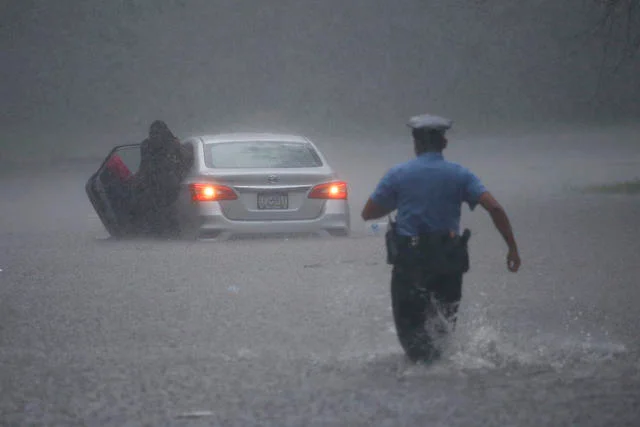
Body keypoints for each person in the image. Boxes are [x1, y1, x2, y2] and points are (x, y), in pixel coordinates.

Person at [361, 113, 521, 363]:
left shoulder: (398, 174)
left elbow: (368, 213)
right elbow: (496, 209)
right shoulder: (461, 175)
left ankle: (419, 382)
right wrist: (512, 249)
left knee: (412, 339)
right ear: (444, 143)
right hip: (448, 262)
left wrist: (399, 201)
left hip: (410, 263)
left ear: (415, 144)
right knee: (443, 334)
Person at [129, 120, 193, 236]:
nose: (154, 136)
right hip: (152, 184)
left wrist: (179, 175)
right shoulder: (147, 145)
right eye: (152, 133)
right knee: (154, 211)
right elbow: (143, 165)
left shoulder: (172, 144)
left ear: (164, 133)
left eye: (157, 133)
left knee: (167, 211)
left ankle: (168, 233)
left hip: (167, 185)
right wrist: (137, 179)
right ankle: (158, 232)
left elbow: (186, 161)